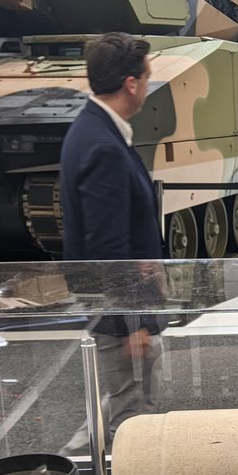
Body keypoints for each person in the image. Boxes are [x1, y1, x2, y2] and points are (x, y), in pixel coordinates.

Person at [60, 32, 165, 441]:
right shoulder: (103, 145)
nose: (149, 86)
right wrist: (133, 324)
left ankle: (85, 459)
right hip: (120, 312)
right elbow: (108, 247)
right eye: (147, 77)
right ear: (131, 84)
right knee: (134, 415)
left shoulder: (91, 129)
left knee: (124, 399)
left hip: (117, 304)